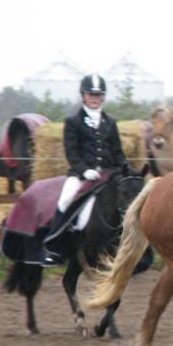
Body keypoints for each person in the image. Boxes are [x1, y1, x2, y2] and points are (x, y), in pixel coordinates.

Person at [43, 73, 128, 266]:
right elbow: (71, 153)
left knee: (128, 199)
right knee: (65, 199)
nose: (95, 98)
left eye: (99, 95)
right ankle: (54, 248)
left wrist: (127, 169)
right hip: (81, 175)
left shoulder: (110, 122)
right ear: (84, 95)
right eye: (91, 94)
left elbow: (117, 151)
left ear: (103, 97)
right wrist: (84, 170)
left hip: (108, 174)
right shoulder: (73, 122)